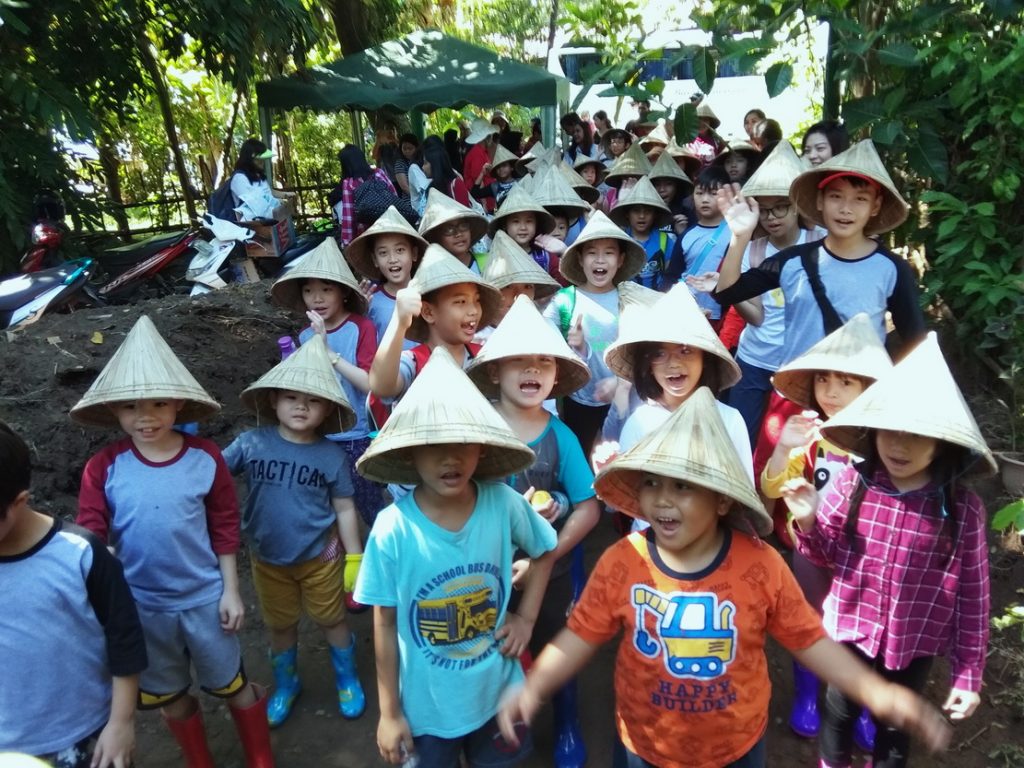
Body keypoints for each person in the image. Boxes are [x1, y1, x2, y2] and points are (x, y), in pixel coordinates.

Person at [498, 387, 952, 768]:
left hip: (736, 747)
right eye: (652, 482)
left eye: (683, 485)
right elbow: (581, 635)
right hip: (643, 744)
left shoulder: (761, 567)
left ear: (720, 500)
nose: (661, 500)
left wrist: (877, 693)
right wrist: (536, 685)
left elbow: (809, 642)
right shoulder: (623, 561)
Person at [73, 316, 275, 767]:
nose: (145, 417)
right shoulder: (103, 468)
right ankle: (199, 760)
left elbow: (225, 524)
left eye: (159, 404)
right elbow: (92, 530)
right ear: (114, 410)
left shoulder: (204, 459)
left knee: (232, 682)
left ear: (179, 405)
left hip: (204, 597)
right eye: (131, 407)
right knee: (168, 692)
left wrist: (231, 590)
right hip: (143, 606)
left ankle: (261, 758)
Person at [784, 332, 991, 768]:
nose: (899, 446)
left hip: (913, 641)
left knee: (893, 733)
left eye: (916, 435)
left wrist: (968, 673)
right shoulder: (853, 484)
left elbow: (973, 596)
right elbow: (824, 554)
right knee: (838, 716)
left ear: (943, 442)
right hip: (849, 631)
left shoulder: (961, 510)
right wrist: (807, 518)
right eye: (889, 432)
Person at [354, 346, 558, 767]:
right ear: (410, 452)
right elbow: (385, 623)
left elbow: (545, 549)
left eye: (464, 442)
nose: (451, 457)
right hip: (428, 709)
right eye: (434, 445)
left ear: (482, 448)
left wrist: (526, 619)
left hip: (499, 692)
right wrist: (390, 713)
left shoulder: (502, 502)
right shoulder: (393, 528)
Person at [466, 296, 598, 767]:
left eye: (544, 361)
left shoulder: (560, 436)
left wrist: (550, 549)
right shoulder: (476, 429)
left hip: (552, 568)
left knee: (550, 646)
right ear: (495, 371)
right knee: (484, 648)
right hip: (482, 569)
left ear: (557, 375)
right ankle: (489, 725)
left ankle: (567, 721)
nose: (533, 369)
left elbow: (587, 508)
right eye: (519, 360)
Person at [759, 314, 892, 746]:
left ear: (870, 388)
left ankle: (865, 704)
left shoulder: (888, 444)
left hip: (869, 555)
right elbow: (772, 486)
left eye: (846, 382)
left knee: (870, 626)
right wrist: (783, 447)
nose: (831, 393)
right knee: (808, 620)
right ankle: (808, 695)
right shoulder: (812, 438)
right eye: (824, 381)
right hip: (811, 550)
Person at [224, 338, 366, 728]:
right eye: (290, 397)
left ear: (327, 409)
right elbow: (214, 476)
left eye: (312, 400)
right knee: (279, 624)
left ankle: (347, 677)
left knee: (332, 619)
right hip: (267, 559)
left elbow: (344, 507)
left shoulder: (330, 456)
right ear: (273, 401)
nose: (301, 406)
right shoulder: (251, 443)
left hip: (320, 557)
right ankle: (286, 684)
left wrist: (355, 557)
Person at [0, 421, 147, 768]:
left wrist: (121, 722)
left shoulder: (79, 554)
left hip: (83, 737)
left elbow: (125, 636)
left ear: (19, 501)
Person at [713, 140, 926, 367]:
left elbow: (916, 344)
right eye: (836, 196)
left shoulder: (892, 269)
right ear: (820, 200)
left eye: (860, 199)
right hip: (794, 394)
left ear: (875, 206)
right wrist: (740, 237)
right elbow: (727, 293)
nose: (846, 208)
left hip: (860, 396)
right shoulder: (791, 261)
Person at [706, 141, 822, 440]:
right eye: (764, 209)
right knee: (742, 439)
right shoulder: (753, 249)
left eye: (780, 206)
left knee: (798, 447)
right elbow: (756, 317)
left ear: (798, 205)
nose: (772, 217)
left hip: (805, 365)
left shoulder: (821, 242)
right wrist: (728, 288)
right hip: (755, 360)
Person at [271, 238, 383, 526]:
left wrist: (329, 353)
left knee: (368, 506)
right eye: (308, 290)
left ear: (343, 292)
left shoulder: (361, 327)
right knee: (329, 510)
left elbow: (371, 384)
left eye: (326, 289)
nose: (317, 298)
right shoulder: (306, 336)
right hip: (318, 436)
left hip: (356, 436)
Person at [542, 211, 647, 458]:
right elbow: (542, 335)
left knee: (621, 457)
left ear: (621, 259)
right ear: (579, 258)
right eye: (591, 253)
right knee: (580, 455)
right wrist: (572, 348)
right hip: (578, 399)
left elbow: (645, 347)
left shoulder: (631, 297)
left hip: (623, 396)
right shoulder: (564, 300)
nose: (600, 260)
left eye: (609, 252)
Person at [660, 165, 732, 328]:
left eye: (713, 194)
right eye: (699, 193)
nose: (705, 199)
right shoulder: (687, 235)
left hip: (721, 315)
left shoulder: (736, 233)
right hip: (687, 312)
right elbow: (672, 276)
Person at [345, 205, 429, 346]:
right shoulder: (372, 301)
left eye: (400, 250)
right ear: (375, 260)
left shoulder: (430, 293)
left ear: (414, 253)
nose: (392, 259)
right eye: (383, 253)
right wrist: (358, 312)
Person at [608, 176, 675, 291]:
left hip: (656, 300)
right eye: (636, 210)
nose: (642, 216)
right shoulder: (621, 239)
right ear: (627, 214)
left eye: (648, 211)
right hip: (627, 299)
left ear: (655, 215)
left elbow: (670, 274)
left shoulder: (665, 240)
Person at [482, 231, 561, 327]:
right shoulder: (476, 338)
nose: (519, 296)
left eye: (527, 286)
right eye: (508, 286)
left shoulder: (547, 328)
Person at [330, 144, 397, 246]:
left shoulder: (349, 183)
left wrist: (347, 243)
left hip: (367, 234)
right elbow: (394, 195)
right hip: (389, 224)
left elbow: (349, 216)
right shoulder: (378, 173)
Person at [488, 186, 559, 280]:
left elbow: (562, 284)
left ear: (536, 224)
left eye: (529, 221)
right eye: (516, 221)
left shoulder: (546, 256)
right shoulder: (496, 259)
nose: (523, 227)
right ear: (505, 225)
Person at [417, 188, 489, 273]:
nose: (458, 234)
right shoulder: (433, 273)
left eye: (463, 226)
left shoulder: (488, 262)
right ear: (436, 238)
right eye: (449, 229)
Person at [229, 138, 294, 221]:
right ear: (249, 158)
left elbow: (269, 193)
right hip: (253, 227)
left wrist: (286, 195)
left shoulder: (258, 175)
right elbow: (257, 206)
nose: (262, 161)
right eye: (259, 159)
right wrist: (278, 203)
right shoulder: (239, 179)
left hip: (270, 222)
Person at [647, 151, 694, 236]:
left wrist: (683, 233)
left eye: (668, 184)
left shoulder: (687, 214)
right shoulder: (645, 213)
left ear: (677, 186)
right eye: (657, 184)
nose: (662, 189)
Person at [421, 135, 472, 207]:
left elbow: (466, 214)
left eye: (425, 163)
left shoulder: (456, 184)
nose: (422, 167)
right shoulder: (431, 186)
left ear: (435, 164)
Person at [462, 119, 499, 210]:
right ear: (486, 137)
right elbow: (478, 181)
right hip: (481, 200)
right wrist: (484, 205)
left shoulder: (482, 151)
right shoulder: (477, 153)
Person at [470, 144, 519, 211]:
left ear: (512, 168)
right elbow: (474, 193)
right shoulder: (495, 186)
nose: (501, 169)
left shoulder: (520, 182)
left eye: (504, 165)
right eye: (498, 167)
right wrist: (482, 173)